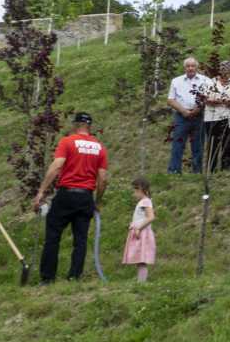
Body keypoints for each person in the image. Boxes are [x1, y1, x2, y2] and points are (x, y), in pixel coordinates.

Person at [33, 112, 108, 284]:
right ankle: (74, 277)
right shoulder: (100, 147)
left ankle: (47, 278)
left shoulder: (67, 141)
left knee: (53, 236)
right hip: (86, 197)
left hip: (66, 194)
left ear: (76, 125)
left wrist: (41, 191)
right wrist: (97, 201)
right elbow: (103, 178)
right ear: (89, 126)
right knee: (80, 240)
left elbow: (56, 166)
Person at [166, 56, 209, 174]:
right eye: (188, 66)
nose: (190, 68)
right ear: (184, 68)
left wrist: (197, 109)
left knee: (198, 145)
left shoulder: (205, 80)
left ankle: (197, 171)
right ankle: (174, 170)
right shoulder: (176, 81)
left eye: (193, 66)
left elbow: (209, 97)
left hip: (198, 116)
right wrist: (183, 111)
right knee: (178, 144)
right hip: (181, 117)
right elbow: (170, 100)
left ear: (197, 67)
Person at [202, 61, 230, 172]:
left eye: (228, 71)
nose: (226, 73)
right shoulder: (210, 83)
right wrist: (222, 101)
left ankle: (226, 170)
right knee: (213, 144)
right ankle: (211, 169)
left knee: (228, 144)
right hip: (212, 118)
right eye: (223, 70)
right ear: (220, 71)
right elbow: (204, 99)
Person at [121, 177, 156, 283]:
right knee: (139, 260)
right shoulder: (143, 202)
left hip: (142, 234)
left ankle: (141, 283)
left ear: (141, 190)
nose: (134, 194)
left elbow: (151, 217)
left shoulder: (145, 201)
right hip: (139, 233)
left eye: (135, 191)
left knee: (142, 259)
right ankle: (140, 281)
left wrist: (138, 228)